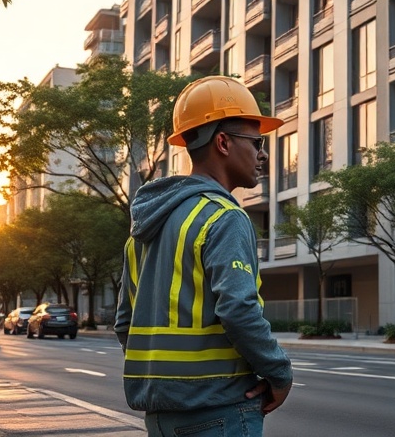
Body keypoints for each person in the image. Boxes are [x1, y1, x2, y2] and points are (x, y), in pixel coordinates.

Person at [114, 76, 293, 436]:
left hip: (160, 415)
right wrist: (279, 373)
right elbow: (238, 309)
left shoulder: (145, 229)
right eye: (256, 142)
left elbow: (124, 325)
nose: (263, 154)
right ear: (223, 142)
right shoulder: (223, 217)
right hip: (220, 409)